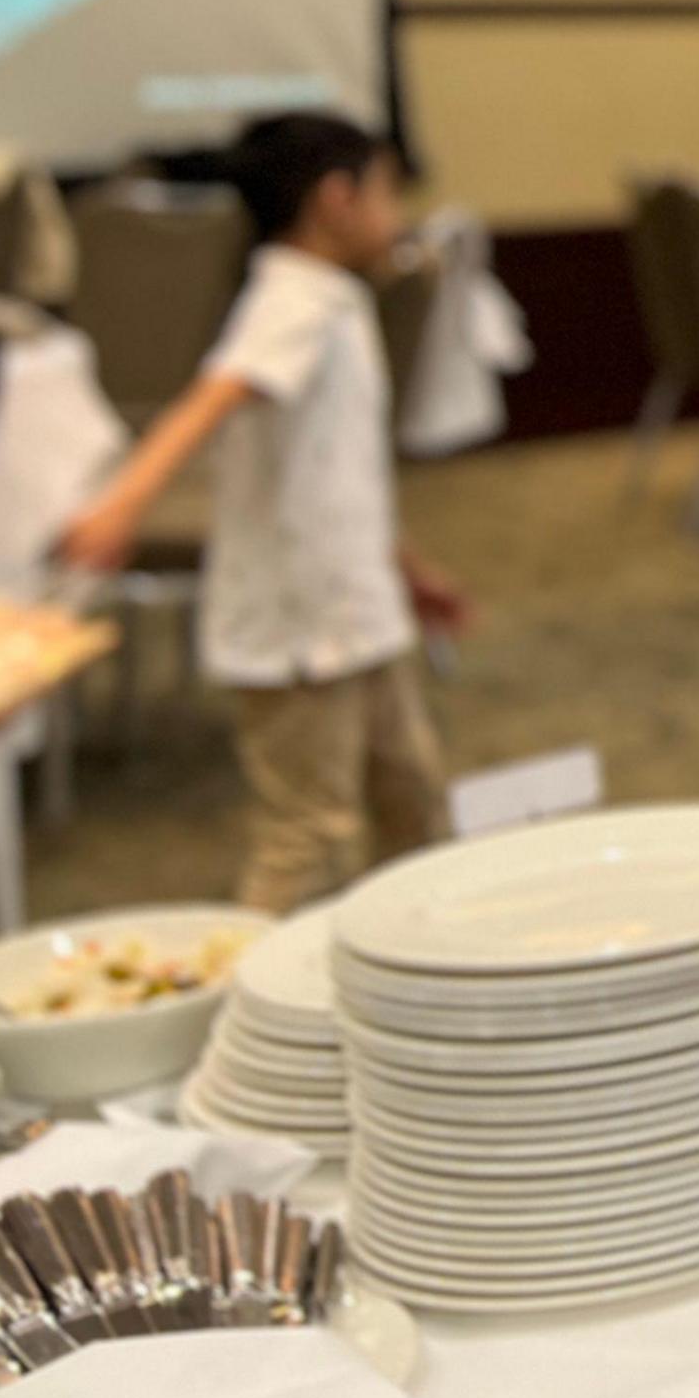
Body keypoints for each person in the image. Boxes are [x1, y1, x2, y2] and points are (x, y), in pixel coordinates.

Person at [56, 113, 466, 910]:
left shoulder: (331, 300)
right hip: (301, 628)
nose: (397, 216)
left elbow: (340, 475)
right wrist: (122, 506)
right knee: (307, 832)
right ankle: (254, 1014)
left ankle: (415, 969)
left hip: (356, 612)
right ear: (336, 198)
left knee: (412, 799)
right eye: (385, 193)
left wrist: (409, 570)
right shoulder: (291, 301)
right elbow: (213, 398)